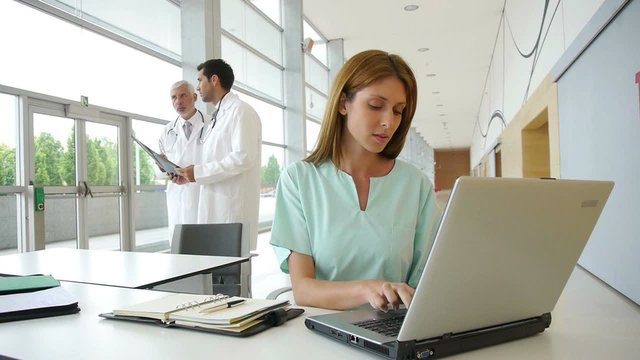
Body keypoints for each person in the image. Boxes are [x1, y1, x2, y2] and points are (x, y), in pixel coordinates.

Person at [269, 49, 441, 311]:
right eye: (375, 106)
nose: (389, 122)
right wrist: (367, 289)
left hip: (395, 331)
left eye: (398, 111)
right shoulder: (299, 180)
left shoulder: (416, 185)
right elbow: (303, 289)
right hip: (322, 333)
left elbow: (426, 283)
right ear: (343, 104)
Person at [175, 59, 262, 253]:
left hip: (231, 211)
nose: (197, 87)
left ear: (214, 79)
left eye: (199, 80)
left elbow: (243, 157)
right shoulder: (218, 116)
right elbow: (213, 160)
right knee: (214, 275)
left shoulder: (240, 111)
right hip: (216, 209)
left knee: (231, 278)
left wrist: (198, 172)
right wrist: (189, 175)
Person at [158, 80, 208, 242]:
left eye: (182, 96)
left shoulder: (211, 125)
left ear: (194, 97)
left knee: (206, 249)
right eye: (173, 97)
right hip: (177, 196)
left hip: (203, 194)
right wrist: (164, 169)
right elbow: (161, 165)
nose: (178, 101)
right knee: (180, 250)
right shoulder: (167, 131)